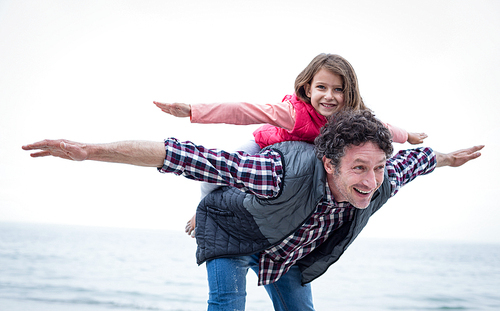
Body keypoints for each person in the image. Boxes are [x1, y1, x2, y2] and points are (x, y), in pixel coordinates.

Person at [22, 110, 482, 311]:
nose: (371, 180)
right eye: (359, 168)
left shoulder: (380, 178)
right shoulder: (278, 173)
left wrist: (448, 159)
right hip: (234, 232)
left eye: (378, 167)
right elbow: (186, 156)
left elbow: (419, 160)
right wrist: (90, 152)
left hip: (286, 251)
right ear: (329, 164)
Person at [153, 53, 428, 237]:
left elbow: (384, 129)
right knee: (214, 175)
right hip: (262, 146)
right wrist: (192, 110)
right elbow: (245, 111)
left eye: (338, 89)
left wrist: (410, 136)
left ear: (349, 92)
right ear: (308, 89)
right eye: (322, 87)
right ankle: (202, 212)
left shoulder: (351, 121)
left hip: (298, 166)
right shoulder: (293, 113)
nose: (329, 96)